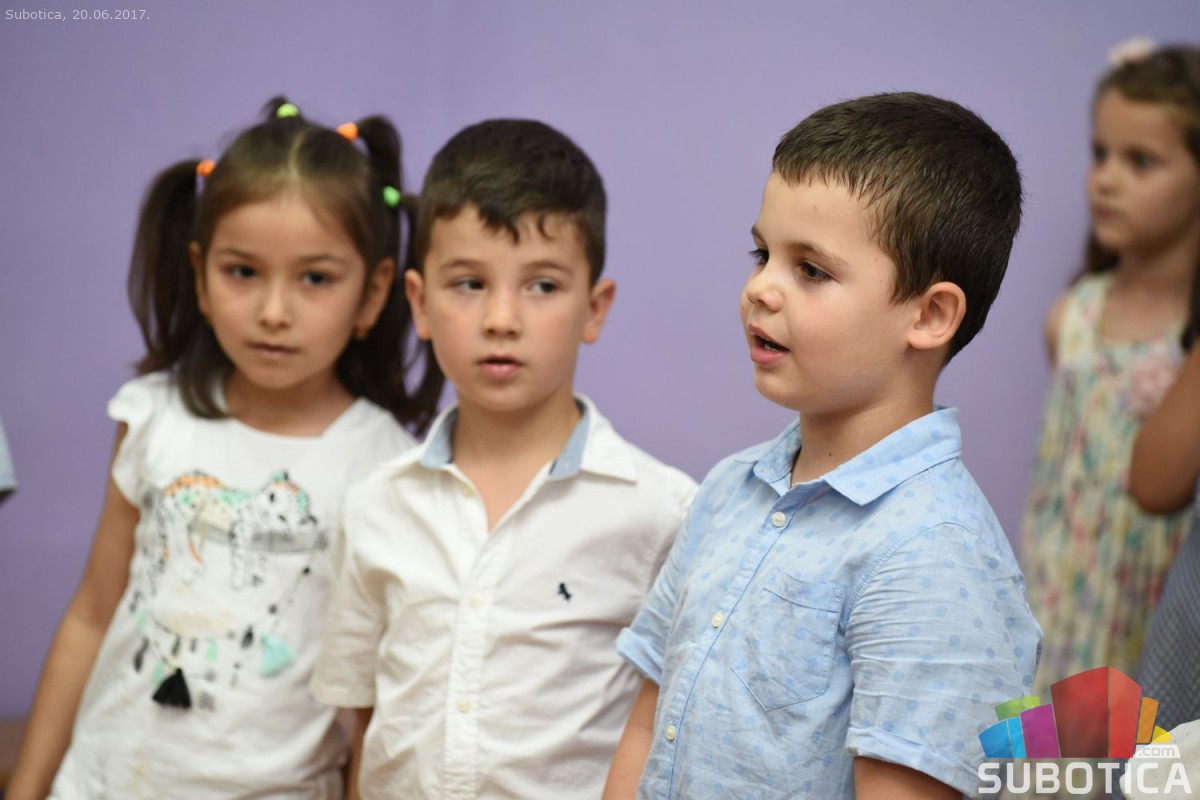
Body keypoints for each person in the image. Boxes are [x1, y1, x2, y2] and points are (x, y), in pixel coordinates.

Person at [603, 92, 1042, 800]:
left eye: (810, 270)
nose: (760, 288)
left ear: (930, 314)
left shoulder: (934, 552)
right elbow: (649, 723)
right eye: (763, 254)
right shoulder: (729, 488)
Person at [8, 98, 442, 800]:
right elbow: (92, 612)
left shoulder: (384, 465)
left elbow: (373, 698)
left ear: (373, 293)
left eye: (315, 278)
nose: (274, 311)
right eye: (243, 271)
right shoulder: (152, 417)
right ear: (201, 274)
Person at [310, 118, 697, 800]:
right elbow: (365, 723)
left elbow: (672, 727)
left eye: (542, 286)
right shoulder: (376, 505)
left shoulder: (660, 512)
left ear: (594, 308)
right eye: (469, 283)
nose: (502, 319)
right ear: (419, 302)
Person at [1020, 43, 1200, 692]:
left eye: (1140, 161)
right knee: (1047, 752)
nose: (1106, 179)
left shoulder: (1189, 346)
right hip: (1060, 605)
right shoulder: (1071, 319)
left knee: (1140, 753)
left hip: (1151, 616)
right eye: (1100, 154)